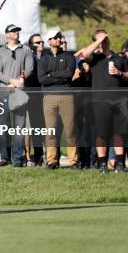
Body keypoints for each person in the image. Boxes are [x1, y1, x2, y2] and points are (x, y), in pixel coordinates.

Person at [80, 30, 128, 173]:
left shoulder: (119, 58)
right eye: (101, 39)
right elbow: (84, 55)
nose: (104, 41)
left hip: (119, 101)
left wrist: (120, 73)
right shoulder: (95, 58)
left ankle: (120, 164)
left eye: (105, 38)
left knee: (119, 133)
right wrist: (98, 41)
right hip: (100, 101)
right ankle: (102, 164)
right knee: (101, 134)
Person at [0, 24, 34, 167]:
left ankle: (17, 158)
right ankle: (4, 158)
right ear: (7, 34)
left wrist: (18, 81)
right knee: (3, 126)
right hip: (4, 92)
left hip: (20, 93)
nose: (17, 33)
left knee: (19, 126)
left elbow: (29, 68)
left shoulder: (26, 50)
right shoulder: (0, 51)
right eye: (13, 31)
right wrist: (11, 81)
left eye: (18, 31)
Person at [37, 31, 78, 169]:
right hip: (49, 97)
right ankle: (52, 160)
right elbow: (42, 79)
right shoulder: (43, 59)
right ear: (49, 41)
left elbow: (69, 74)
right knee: (51, 130)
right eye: (56, 37)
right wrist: (59, 76)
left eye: (61, 37)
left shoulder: (69, 56)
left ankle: (73, 161)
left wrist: (51, 75)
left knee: (70, 130)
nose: (60, 39)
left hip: (67, 96)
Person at [25, 33, 46, 166]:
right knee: (31, 127)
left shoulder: (48, 57)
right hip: (32, 95)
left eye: (42, 41)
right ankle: (30, 156)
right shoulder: (29, 59)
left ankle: (41, 156)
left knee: (42, 127)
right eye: (37, 42)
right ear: (31, 45)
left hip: (46, 95)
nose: (41, 44)